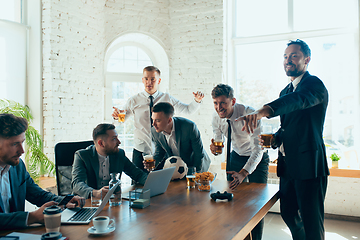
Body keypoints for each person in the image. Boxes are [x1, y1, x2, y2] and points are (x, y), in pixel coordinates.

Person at [238, 39, 329, 240]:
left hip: (309, 165)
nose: (288, 60)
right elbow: (287, 126)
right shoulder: (285, 91)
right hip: (289, 167)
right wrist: (276, 138)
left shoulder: (314, 85)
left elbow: (297, 102)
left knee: (312, 221)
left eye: (294, 56)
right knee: (288, 213)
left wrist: (263, 111)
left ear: (307, 60)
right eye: (285, 57)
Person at [0, 114, 85, 230]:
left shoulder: (17, 167)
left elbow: (37, 195)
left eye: (22, 142)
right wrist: (31, 217)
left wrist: (65, 200)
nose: (22, 150)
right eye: (14, 144)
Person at [112, 66, 204, 172]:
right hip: (141, 150)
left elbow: (187, 110)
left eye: (153, 79)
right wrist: (116, 117)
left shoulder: (167, 98)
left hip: (162, 151)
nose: (149, 82)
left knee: (161, 184)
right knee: (138, 184)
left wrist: (197, 101)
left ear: (159, 80)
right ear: (142, 80)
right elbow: (120, 121)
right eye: (146, 78)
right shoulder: (133, 100)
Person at [210, 84, 269, 240]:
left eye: (223, 103)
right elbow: (218, 141)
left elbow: (258, 149)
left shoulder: (250, 114)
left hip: (257, 158)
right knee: (233, 199)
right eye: (215, 103)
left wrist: (244, 172)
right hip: (236, 156)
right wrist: (216, 148)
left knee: (256, 204)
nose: (218, 107)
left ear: (233, 101)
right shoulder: (216, 118)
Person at [71, 123, 148, 199]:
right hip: (88, 202)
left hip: (113, 202)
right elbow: (77, 183)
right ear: (101, 143)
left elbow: (138, 175)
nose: (119, 142)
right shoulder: (82, 156)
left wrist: (154, 183)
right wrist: (95, 193)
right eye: (114, 139)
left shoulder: (119, 154)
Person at [145, 102, 210, 172]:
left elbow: (199, 154)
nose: (153, 124)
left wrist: (197, 174)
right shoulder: (155, 131)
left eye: (157, 121)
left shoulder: (189, 127)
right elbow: (159, 152)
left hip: (196, 164)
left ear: (169, 120)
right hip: (176, 167)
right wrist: (153, 162)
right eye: (153, 119)